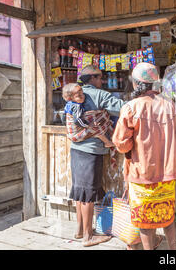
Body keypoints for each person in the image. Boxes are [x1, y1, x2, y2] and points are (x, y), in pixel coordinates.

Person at [112, 62, 176, 250]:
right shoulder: (169, 106)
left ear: (136, 84)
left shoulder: (130, 107)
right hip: (167, 173)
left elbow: (121, 143)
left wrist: (133, 147)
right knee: (167, 217)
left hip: (142, 174)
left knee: (145, 222)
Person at [67, 65, 124, 247]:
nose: (102, 81)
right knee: (89, 194)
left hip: (76, 149)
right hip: (91, 152)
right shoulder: (100, 95)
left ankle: (79, 230)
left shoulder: (73, 96)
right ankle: (88, 236)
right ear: (92, 78)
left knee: (80, 192)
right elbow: (123, 108)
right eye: (100, 77)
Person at [62, 83, 115, 148]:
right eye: (79, 96)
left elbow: (63, 117)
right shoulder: (76, 106)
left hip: (72, 134)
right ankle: (107, 142)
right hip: (75, 135)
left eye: (82, 94)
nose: (83, 97)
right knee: (95, 128)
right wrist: (88, 125)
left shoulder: (69, 104)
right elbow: (77, 120)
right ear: (70, 98)